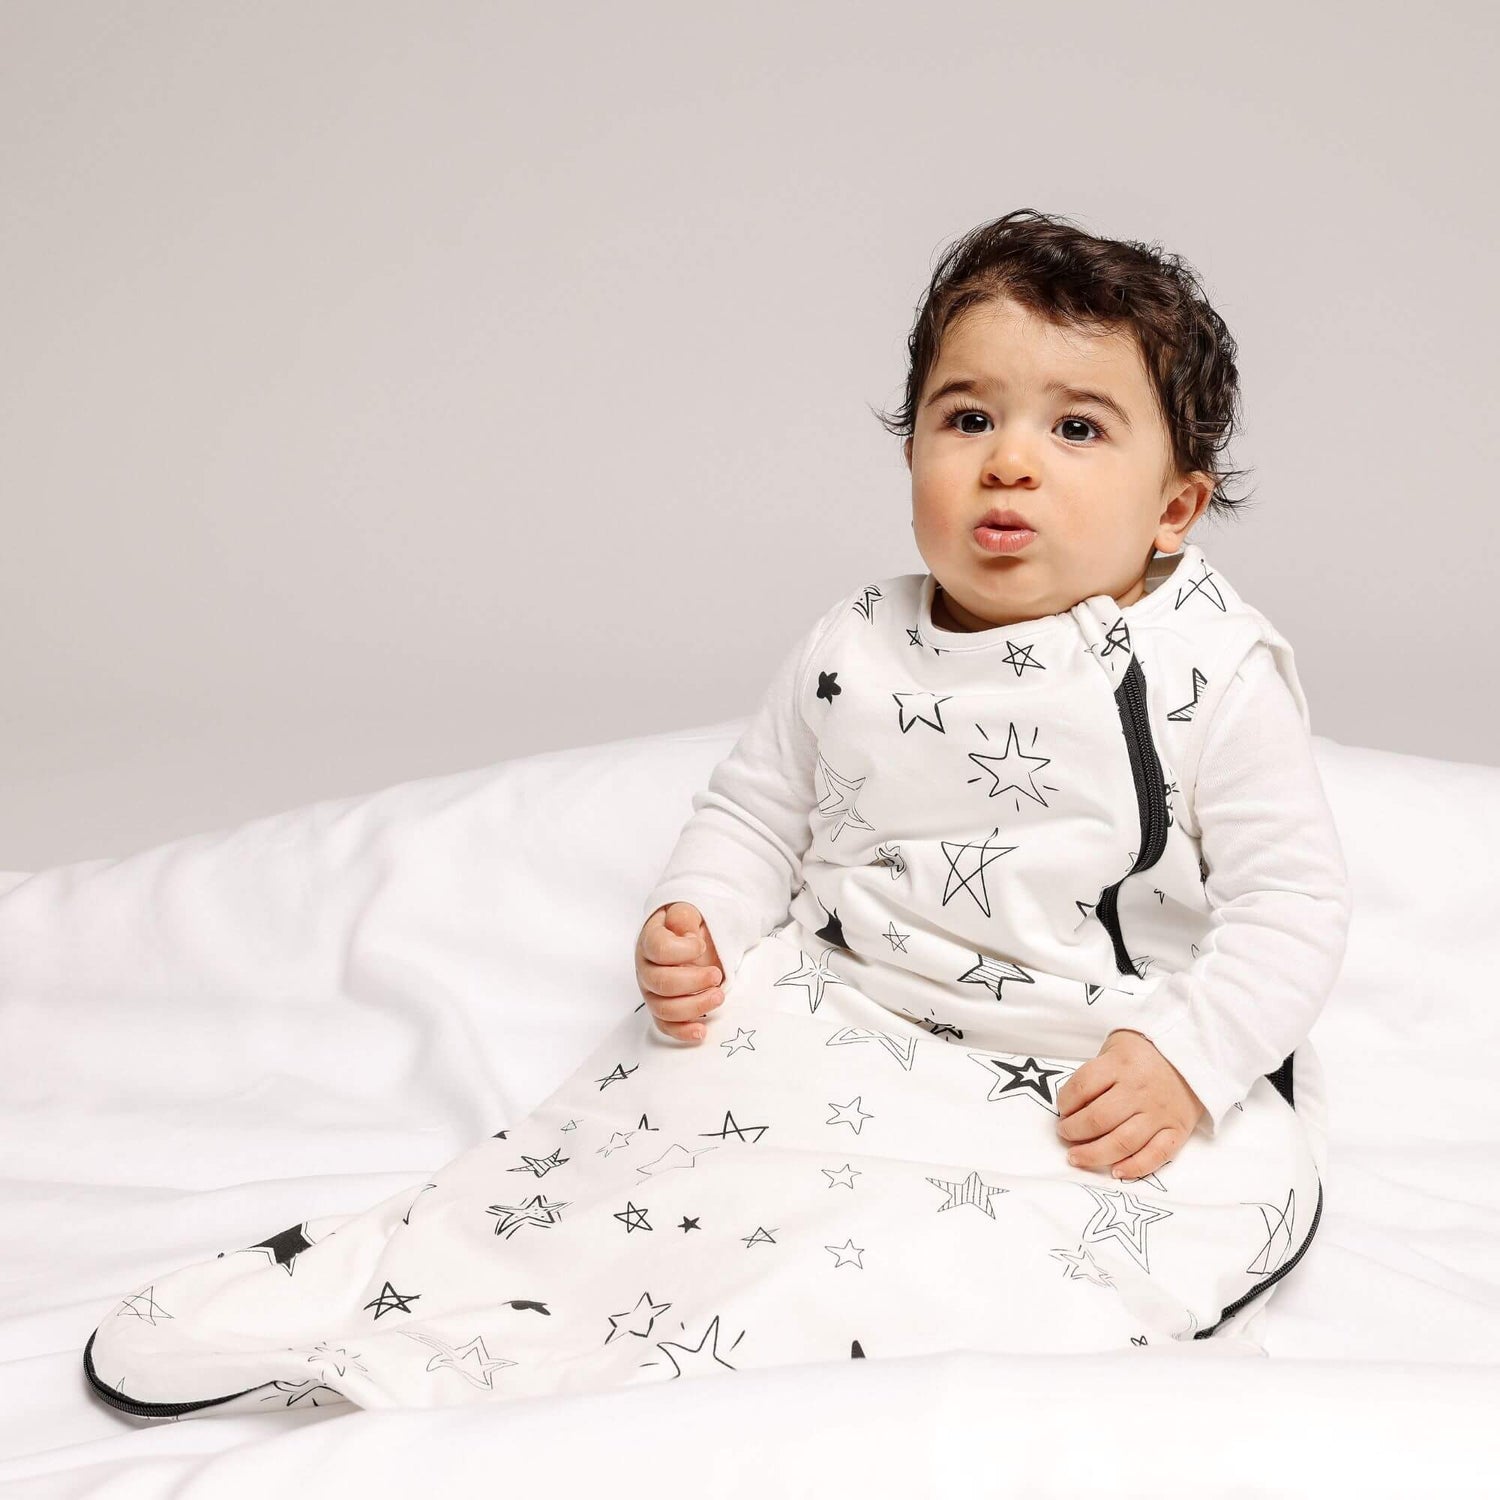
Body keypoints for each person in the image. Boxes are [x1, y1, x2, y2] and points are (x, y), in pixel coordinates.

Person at [83, 209, 1351, 1419]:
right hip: (850, 1007)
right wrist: (698, 913)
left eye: (1077, 429)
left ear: (1173, 508)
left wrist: (1191, 1057)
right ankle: (446, 1317)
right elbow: (755, 812)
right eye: (967, 417)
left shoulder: (1206, 673)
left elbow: (1292, 907)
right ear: (912, 450)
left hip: (1086, 1047)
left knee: (925, 1254)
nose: (1009, 460)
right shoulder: (858, 644)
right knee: (663, 1176)